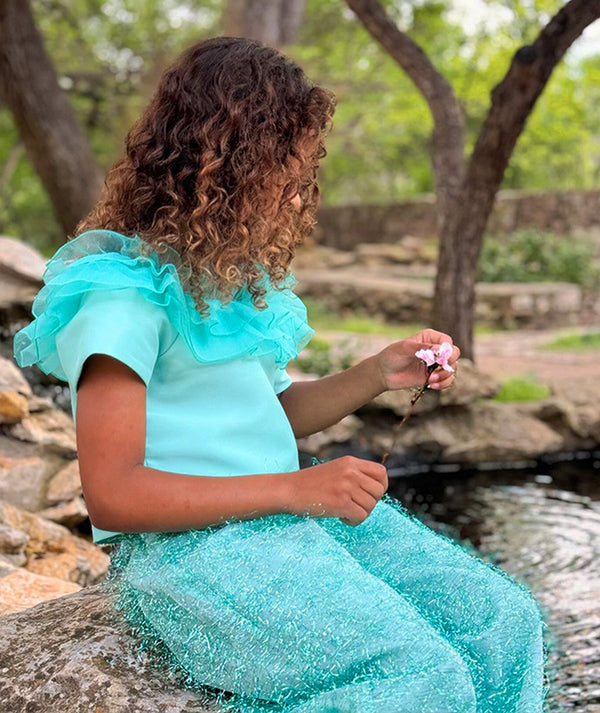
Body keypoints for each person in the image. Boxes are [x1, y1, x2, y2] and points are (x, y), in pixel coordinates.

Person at [13, 36, 550, 713]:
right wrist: (297, 487)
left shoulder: (228, 285)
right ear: (219, 168)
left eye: (303, 182)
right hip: (191, 559)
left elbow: (273, 412)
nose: (298, 202)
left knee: (504, 623)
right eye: (286, 180)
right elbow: (115, 494)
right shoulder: (121, 296)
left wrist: (377, 372)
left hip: (286, 521)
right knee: (416, 673)